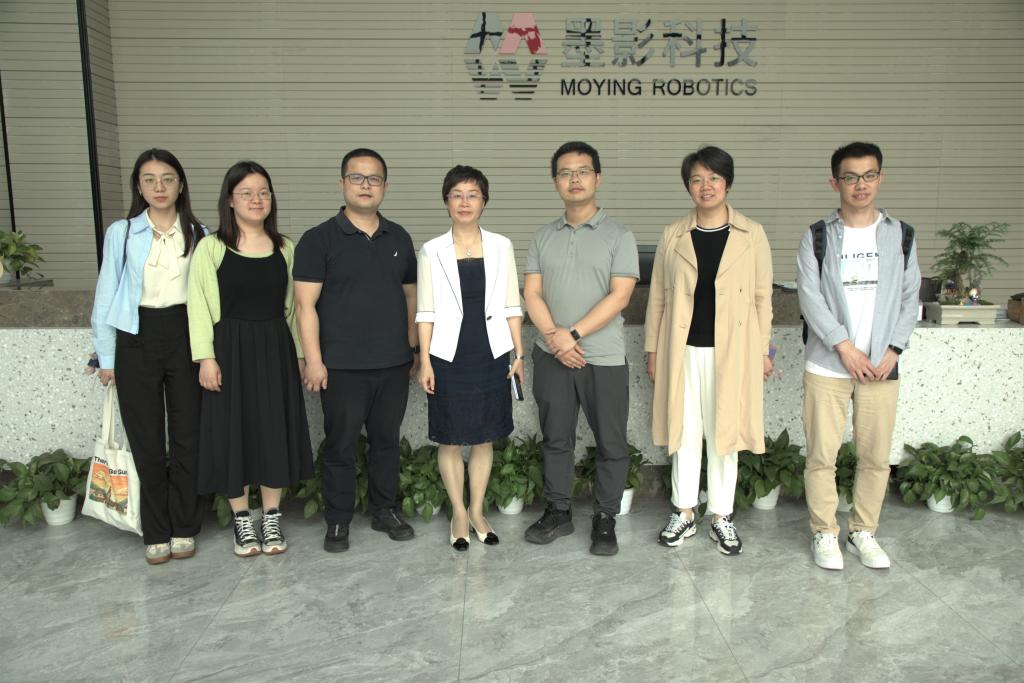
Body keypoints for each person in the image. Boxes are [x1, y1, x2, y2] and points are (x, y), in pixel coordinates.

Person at [644, 146, 774, 556]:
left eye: (714, 178)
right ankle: (684, 511)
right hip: (682, 350)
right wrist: (652, 350)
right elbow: (658, 298)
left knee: (725, 434)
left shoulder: (751, 234)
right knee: (684, 432)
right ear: (688, 186)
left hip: (733, 352)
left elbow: (762, 298)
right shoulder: (674, 234)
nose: (706, 186)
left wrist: (763, 351)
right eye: (697, 179)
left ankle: (721, 516)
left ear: (727, 183)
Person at [797, 141, 920, 571]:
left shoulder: (901, 235)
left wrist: (893, 349)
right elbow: (810, 297)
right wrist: (844, 347)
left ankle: (863, 531)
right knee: (822, 456)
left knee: (875, 457)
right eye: (850, 177)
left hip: (882, 366)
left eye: (868, 175)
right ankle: (825, 532)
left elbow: (909, 298)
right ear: (835, 183)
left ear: (880, 178)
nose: (860, 185)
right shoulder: (817, 235)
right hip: (828, 365)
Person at [293, 148, 419, 553]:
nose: (366, 185)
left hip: (393, 363)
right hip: (341, 366)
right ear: (342, 183)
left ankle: (385, 510)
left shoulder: (399, 237)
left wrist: (414, 348)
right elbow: (304, 306)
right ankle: (338, 519)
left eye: (374, 178)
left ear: (385, 186)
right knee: (340, 446)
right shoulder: (318, 240)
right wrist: (314, 360)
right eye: (357, 177)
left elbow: (411, 295)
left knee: (387, 442)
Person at [187, 160, 313, 557]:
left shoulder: (285, 248)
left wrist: (300, 355)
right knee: (233, 432)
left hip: (275, 347)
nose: (256, 200)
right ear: (230, 200)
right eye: (246, 193)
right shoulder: (211, 247)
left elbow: (294, 309)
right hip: (229, 350)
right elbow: (197, 305)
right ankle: (242, 519)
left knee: (273, 429)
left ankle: (271, 516)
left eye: (263, 193)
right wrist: (205, 358)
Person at [522, 141, 639, 556]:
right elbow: (532, 293)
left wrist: (570, 335)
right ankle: (558, 511)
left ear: (597, 178)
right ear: (555, 181)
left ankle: (605, 516)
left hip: (601, 357)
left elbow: (620, 295)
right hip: (551, 355)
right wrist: (555, 338)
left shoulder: (619, 236)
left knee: (611, 442)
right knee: (556, 438)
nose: (574, 179)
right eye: (565, 172)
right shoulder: (542, 237)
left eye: (583, 171)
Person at [90, 148, 206, 565]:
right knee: (147, 440)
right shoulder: (121, 232)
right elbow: (106, 295)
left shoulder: (199, 232)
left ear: (180, 184)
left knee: (189, 436)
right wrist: (107, 358)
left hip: (185, 334)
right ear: (138, 187)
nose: (159, 187)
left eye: (168, 178)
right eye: (150, 179)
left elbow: (207, 296)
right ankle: (156, 530)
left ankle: (184, 525)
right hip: (136, 337)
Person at [416, 165, 525, 550]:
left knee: (483, 437)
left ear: (484, 201)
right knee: (449, 438)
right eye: (457, 194)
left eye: (472, 194)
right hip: (448, 355)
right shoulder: (431, 250)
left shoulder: (501, 246)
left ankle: (478, 511)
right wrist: (425, 361)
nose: (464, 202)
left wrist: (518, 353)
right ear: (446, 201)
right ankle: (459, 513)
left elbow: (512, 304)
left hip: (491, 351)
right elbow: (425, 311)